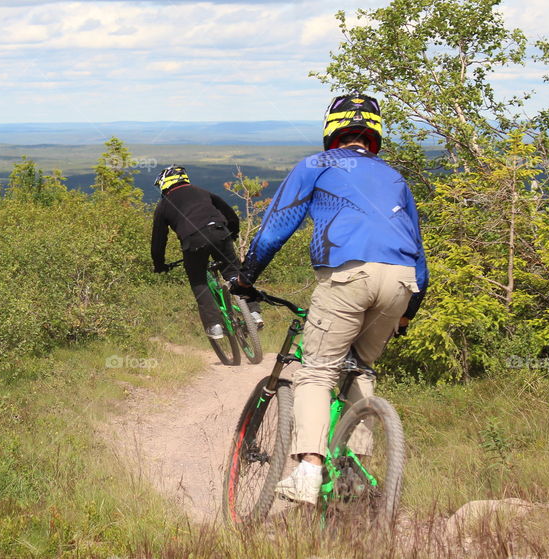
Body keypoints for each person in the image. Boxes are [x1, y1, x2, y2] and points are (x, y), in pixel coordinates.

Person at [230, 95, 428, 504]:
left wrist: (247, 278)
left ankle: (307, 470)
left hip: (348, 276)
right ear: (374, 136)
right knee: (361, 367)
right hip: (401, 282)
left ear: (331, 131)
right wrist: (407, 315)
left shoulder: (316, 165)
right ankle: (353, 470)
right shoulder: (395, 178)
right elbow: (420, 258)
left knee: (316, 373)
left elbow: (276, 228)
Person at [150, 165, 263, 340]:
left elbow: (158, 240)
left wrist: (159, 264)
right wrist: (231, 234)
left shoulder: (164, 205)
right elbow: (230, 214)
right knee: (235, 273)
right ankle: (254, 313)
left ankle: (214, 325)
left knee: (199, 281)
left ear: (165, 183)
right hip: (219, 231)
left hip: (193, 241)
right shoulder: (203, 192)